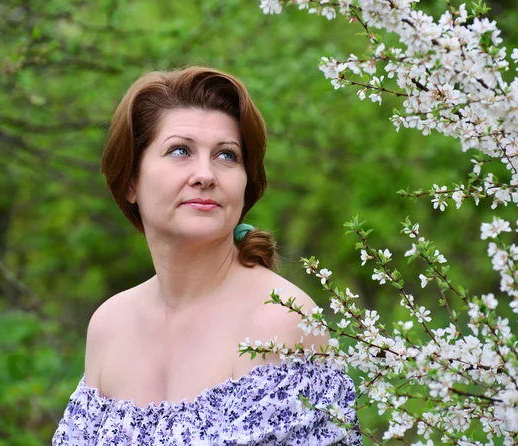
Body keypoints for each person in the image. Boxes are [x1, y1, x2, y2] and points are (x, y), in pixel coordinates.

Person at [52, 66, 361, 445]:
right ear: (131, 181)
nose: (205, 174)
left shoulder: (279, 324)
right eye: (180, 151)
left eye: (227, 156)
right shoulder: (109, 325)